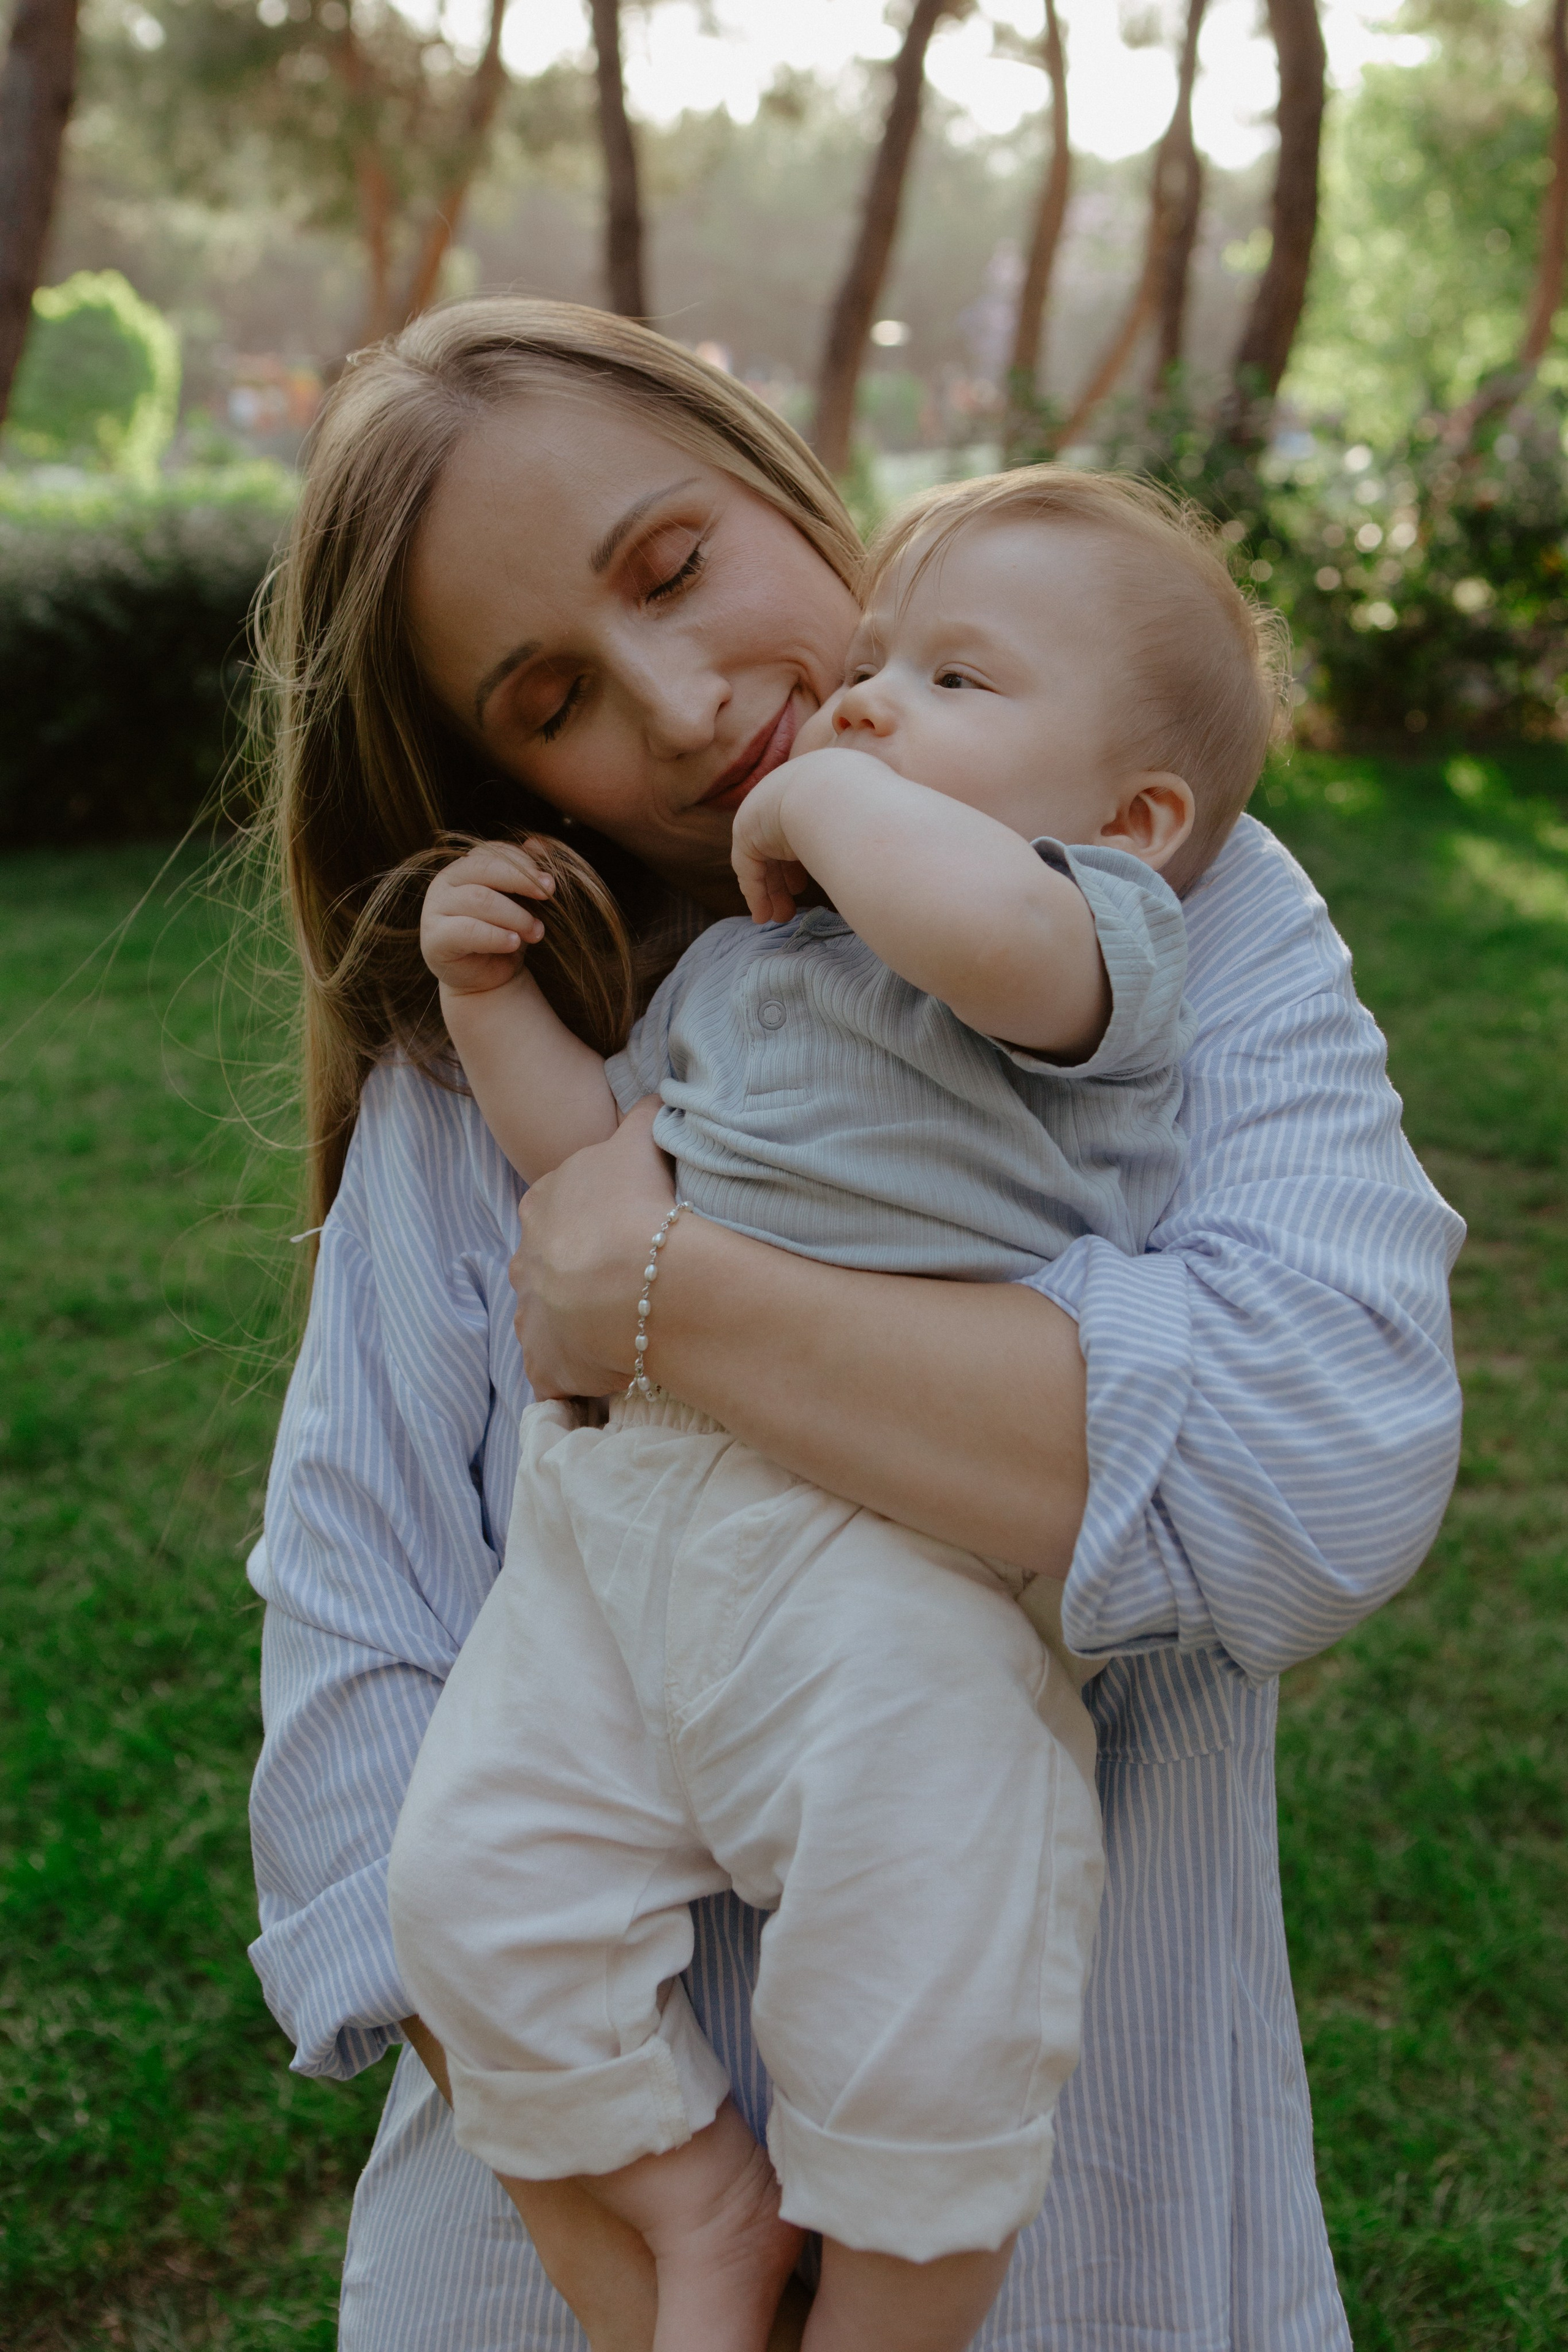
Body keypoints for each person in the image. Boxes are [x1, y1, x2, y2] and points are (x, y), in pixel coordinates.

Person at [244, 298, 1465, 2352]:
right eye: (554, 696)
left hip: (1084, 2223)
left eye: (678, 566)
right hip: (578, 2239)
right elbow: (353, 1645)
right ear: (494, 767)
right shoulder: (516, 1038)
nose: (687, 697)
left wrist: (656, 1298)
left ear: (786, 490)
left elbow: (1322, 1467)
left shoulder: (1164, 900)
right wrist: (595, 2223)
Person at [388, 466, 1280, 2352]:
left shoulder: (1095, 941)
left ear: (1132, 816)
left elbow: (989, 932)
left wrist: (832, 793)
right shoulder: (752, 966)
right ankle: (693, 2188)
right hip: (624, 1530)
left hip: (888, 1566)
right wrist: (490, 1015)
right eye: (877, 664)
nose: (868, 705)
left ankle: (885, 2308)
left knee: (920, 1981)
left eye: (956, 685)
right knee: (476, 1891)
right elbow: (596, 1197)